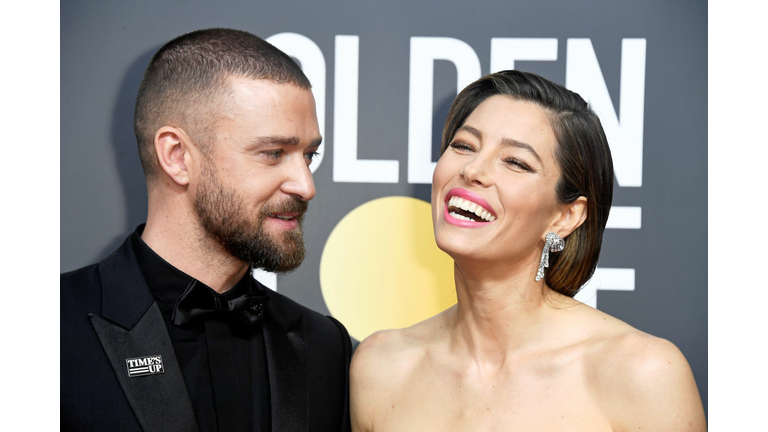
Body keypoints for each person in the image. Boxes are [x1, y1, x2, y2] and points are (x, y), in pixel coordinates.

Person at [350, 70, 706, 431]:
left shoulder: (643, 373)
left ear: (566, 216)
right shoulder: (380, 367)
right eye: (464, 146)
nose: (473, 170)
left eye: (516, 162)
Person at [61, 28, 352, 432]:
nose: (306, 185)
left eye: (309, 155)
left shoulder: (324, 346)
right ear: (177, 157)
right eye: (273, 153)